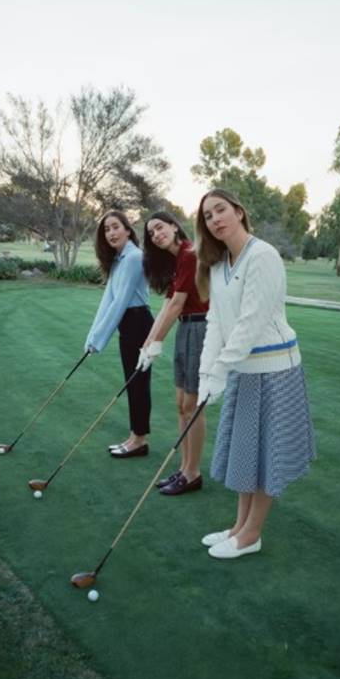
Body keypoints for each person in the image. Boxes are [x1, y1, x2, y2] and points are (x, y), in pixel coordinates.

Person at [195, 188, 315, 558]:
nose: (215, 219)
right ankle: (239, 527)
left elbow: (250, 323)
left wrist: (221, 371)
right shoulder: (217, 266)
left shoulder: (263, 256)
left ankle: (252, 534)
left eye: (221, 210)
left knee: (267, 456)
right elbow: (215, 322)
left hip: (274, 370)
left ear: (239, 211)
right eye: (208, 216)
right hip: (244, 370)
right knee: (246, 451)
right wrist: (206, 375)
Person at [137, 211, 209, 495]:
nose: (156, 234)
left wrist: (157, 343)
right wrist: (147, 342)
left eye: (159, 227)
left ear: (174, 226)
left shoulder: (191, 253)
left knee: (192, 406)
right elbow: (167, 306)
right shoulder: (178, 259)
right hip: (185, 329)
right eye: (151, 233)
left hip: (200, 329)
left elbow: (178, 304)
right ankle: (183, 468)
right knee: (181, 404)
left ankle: (193, 473)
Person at [85, 210, 153, 458]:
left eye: (116, 227)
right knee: (132, 382)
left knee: (138, 384)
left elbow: (120, 302)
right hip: (129, 323)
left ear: (128, 229)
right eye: (106, 229)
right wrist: (92, 337)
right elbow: (108, 299)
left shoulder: (134, 257)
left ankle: (139, 440)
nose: (111, 233)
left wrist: (99, 340)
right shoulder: (119, 259)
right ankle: (135, 436)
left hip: (138, 322)